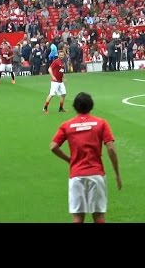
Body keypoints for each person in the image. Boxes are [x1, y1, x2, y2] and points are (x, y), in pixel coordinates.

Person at [50, 92, 122, 223]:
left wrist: (69, 160)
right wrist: (117, 174)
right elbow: (111, 148)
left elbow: (53, 146)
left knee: (77, 218)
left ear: (75, 107)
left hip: (76, 176)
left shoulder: (67, 125)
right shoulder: (101, 123)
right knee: (99, 216)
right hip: (96, 174)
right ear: (91, 106)